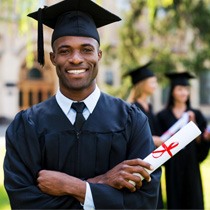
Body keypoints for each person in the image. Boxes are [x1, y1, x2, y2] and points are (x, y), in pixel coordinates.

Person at [3, 0, 161, 209]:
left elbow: (144, 201)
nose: (76, 59)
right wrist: (102, 184)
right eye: (65, 51)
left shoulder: (132, 120)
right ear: (53, 58)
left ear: (99, 55)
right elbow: (24, 202)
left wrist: (75, 187)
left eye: (86, 50)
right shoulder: (27, 125)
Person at [156, 71, 210, 209]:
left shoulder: (196, 114)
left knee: (194, 200)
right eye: (180, 89)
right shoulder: (163, 116)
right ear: (172, 91)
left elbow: (202, 145)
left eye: (186, 89)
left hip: (191, 165)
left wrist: (194, 125)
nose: (184, 92)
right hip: (173, 166)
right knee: (175, 201)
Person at [125, 62, 164, 209]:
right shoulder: (132, 108)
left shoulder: (150, 107)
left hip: (153, 162)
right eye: (152, 82)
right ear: (142, 84)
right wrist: (153, 139)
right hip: (139, 161)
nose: (155, 85)